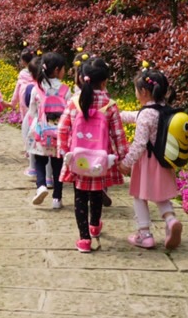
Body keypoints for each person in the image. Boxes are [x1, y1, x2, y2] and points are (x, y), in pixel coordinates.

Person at [57, 57, 128, 253]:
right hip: (100, 160)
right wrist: (122, 157)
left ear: (81, 79)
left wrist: (64, 153)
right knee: (97, 192)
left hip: (77, 159)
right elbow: (118, 135)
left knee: (80, 197)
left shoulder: (74, 103)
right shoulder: (110, 105)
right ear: (104, 82)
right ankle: (94, 226)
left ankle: (84, 240)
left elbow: (62, 130)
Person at [119, 66, 183, 251]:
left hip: (147, 163)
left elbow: (139, 144)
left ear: (144, 92)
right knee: (161, 196)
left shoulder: (146, 114)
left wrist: (126, 163)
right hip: (164, 162)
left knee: (140, 197)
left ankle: (144, 235)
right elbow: (135, 116)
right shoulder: (165, 110)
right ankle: (171, 220)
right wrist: (117, 114)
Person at [27, 53, 70, 211]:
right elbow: (69, 114)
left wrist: (36, 128)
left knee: (40, 161)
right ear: (58, 70)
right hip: (59, 134)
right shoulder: (65, 89)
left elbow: (31, 112)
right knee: (58, 165)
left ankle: (41, 186)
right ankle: (57, 198)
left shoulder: (37, 88)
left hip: (41, 133)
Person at [11, 47, 38, 180]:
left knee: (27, 127)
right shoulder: (40, 74)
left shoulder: (22, 74)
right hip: (37, 104)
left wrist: (12, 103)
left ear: (23, 61)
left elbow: (17, 90)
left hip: (24, 103)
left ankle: (29, 149)